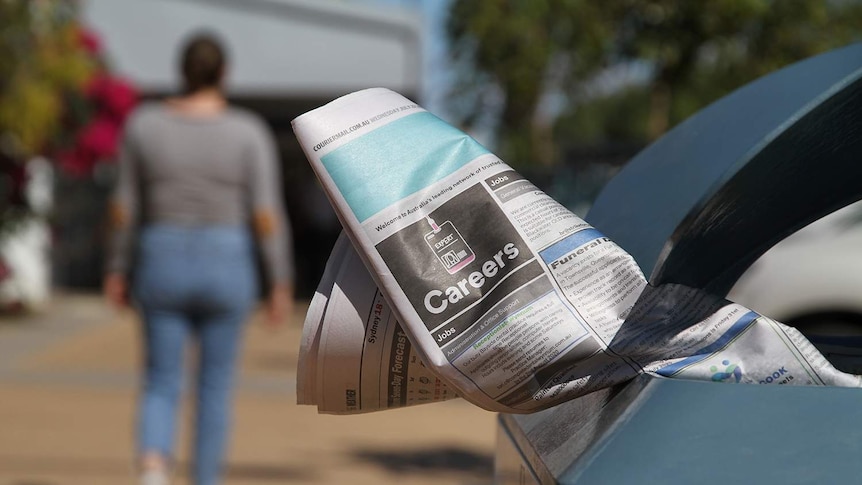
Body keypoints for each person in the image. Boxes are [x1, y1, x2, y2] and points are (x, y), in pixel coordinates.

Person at [103, 31, 294, 485]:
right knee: (214, 389)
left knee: (160, 380)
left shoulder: (144, 126)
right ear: (223, 73)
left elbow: (123, 206)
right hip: (228, 264)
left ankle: (153, 470)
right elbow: (266, 215)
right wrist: (279, 281)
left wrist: (116, 266)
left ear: (181, 71)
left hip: (160, 258)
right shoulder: (248, 132)